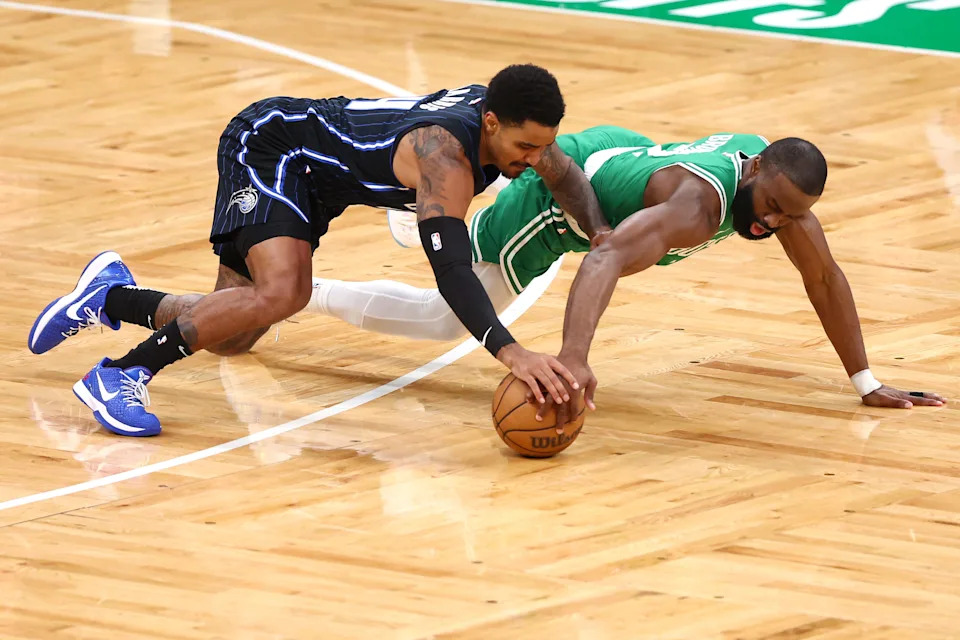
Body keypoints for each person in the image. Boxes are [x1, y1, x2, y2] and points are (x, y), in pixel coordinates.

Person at [27, 64, 610, 436]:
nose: (533, 158)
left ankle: (112, 297)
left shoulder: (518, 131)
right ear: (489, 122)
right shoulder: (444, 159)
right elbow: (452, 271)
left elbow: (564, 177)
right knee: (284, 292)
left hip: (320, 180)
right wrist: (513, 355)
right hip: (275, 146)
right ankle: (123, 373)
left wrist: (603, 236)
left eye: (543, 145)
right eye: (524, 146)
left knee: (231, 334)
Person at [306, 126, 946, 426]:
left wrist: (867, 381)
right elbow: (604, 256)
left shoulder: (782, 196)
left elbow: (825, 280)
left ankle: (431, 213)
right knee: (448, 314)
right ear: (750, 174)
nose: (774, 222)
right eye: (770, 206)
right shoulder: (700, 206)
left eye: (790, 214)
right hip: (562, 204)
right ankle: (313, 288)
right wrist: (574, 357)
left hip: (618, 154)